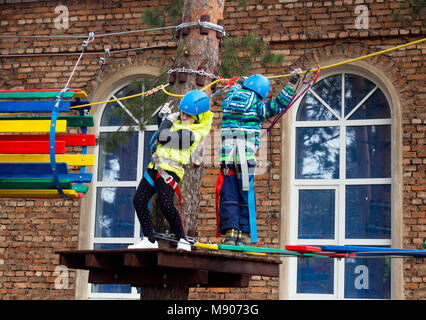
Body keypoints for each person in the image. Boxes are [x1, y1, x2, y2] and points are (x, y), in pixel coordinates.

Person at [216, 72, 300, 246]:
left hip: (228, 159)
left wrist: (238, 82)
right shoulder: (258, 107)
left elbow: (233, 90)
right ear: (261, 92)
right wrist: (291, 85)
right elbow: (278, 105)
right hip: (245, 160)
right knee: (245, 193)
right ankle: (242, 235)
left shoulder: (228, 101)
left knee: (229, 194)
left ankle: (231, 232)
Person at [129, 90, 213, 251]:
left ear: (198, 117)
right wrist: (161, 118)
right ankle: (149, 238)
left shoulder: (193, 134)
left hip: (171, 170)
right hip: (156, 166)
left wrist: (166, 121)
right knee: (138, 200)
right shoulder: (178, 123)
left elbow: (162, 137)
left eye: (188, 115)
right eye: (182, 113)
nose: (183, 117)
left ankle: (182, 239)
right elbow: (159, 135)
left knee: (166, 204)